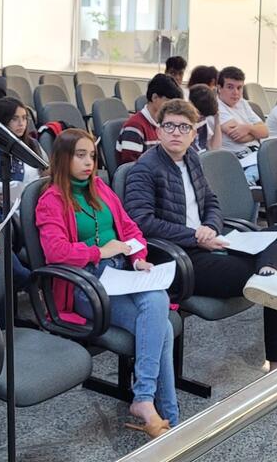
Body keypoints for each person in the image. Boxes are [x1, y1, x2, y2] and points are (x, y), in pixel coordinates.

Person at [123, 100, 277, 375]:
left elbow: (212, 202)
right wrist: (195, 236)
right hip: (177, 258)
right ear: (158, 130)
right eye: (169, 126)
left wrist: (211, 227)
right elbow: (142, 223)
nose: (176, 132)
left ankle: (267, 275)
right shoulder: (145, 169)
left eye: (184, 127)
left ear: (194, 133)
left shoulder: (192, 158)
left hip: (208, 242)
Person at [34, 128, 179, 437]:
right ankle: (170, 419)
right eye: (80, 156)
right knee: (163, 328)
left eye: (92, 156)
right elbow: (55, 251)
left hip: (122, 273)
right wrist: (99, 251)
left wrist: (138, 257)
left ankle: (145, 401)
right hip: (87, 285)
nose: (89, 163)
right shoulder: (51, 200)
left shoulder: (100, 188)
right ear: (62, 158)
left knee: (158, 300)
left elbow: (130, 229)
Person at [116, 73, 182, 166]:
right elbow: (131, 168)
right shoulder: (134, 128)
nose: (172, 107)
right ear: (154, 97)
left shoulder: (163, 124)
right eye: (168, 102)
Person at [216, 67, 267, 184]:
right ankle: (246, 185)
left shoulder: (242, 103)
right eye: (230, 87)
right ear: (219, 88)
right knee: (265, 165)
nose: (236, 92)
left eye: (239, 88)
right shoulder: (217, 107)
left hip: (255, 154)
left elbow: (265, 131)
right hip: (238, 159)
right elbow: (239, 138)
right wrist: (255, 132)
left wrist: (247, 128)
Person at [187, 83, 222, 153]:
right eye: (200, 115)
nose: (201, 119)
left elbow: (214, 148)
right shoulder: (183, 125)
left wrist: (217, 121)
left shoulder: (203, 122)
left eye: (204, 117)